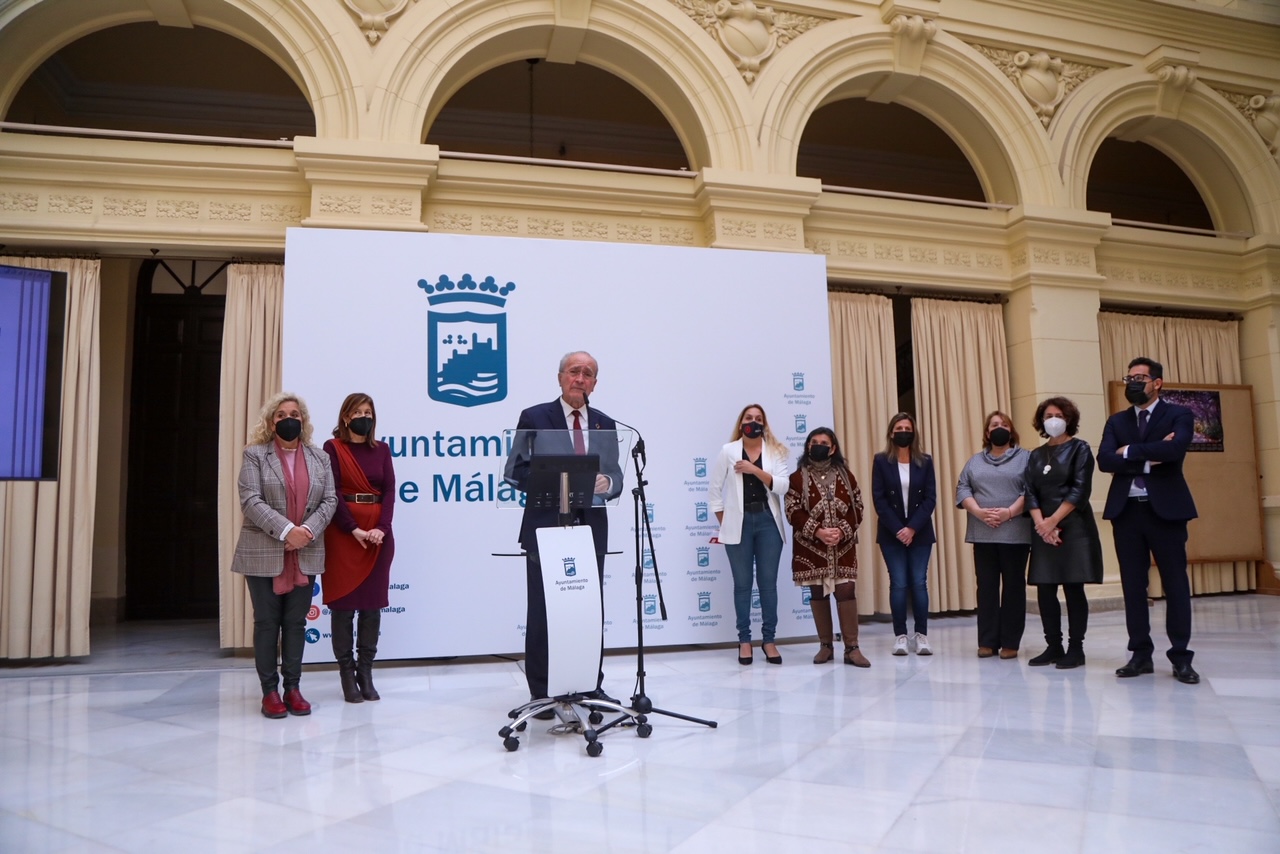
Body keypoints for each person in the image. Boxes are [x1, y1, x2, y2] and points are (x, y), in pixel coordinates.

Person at [504, 351, 624, 718]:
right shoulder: (535, 417)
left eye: (588, 374)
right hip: (546, 526)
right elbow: (515, 470)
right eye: (574, 371)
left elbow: (616, 475)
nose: (580, 378)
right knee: (543, 611)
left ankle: (590, 683)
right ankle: (541, 691)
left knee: (588, 610)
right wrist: (550, 478)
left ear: (595, 384)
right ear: (560, 378)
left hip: (590, 527)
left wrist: (608, 483)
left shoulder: (605, 424)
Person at [230, 392, 336, 719]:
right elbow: (251, 500)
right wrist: (288, 530)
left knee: (295, 623)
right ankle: (269, 692)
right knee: (266, 623)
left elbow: (330, 500)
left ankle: (293, 688)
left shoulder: (320, 458)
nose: (288, 419)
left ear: (303, 420)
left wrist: (306, 532)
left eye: (294, 414)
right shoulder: (255, 455)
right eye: (281, 415)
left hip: (306, 552)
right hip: (262, 551)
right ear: (271, 422)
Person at [1098, 357, 1200, 684]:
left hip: (1166, 511)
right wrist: (1145, 458)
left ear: (1157, 383)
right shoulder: (1117, 420)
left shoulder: (1179, 414)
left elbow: (1175, 450)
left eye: (1140, 377)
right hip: (1126, 512)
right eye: (1129, 377)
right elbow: (1104, 460)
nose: (1133, 382)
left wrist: (1127, 451)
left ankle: (1181, 657)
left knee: (1175, 583)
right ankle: (1140, 655)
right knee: (1133, 586)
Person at [323, 393, 395, 703]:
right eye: (357, 412)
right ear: (345, 417)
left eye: (368, 412)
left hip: (377, 536)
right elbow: (331, 492)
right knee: (343, 607)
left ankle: (365, 673)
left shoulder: (382, 450)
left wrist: (382, 529)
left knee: (372, 607)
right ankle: (346, 674)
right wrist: (353, 528)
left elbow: (389, 491)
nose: (363, 417)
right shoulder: (332, 448)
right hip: (344, 534)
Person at [1023, 397, 1104, 669]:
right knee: (1045, 588)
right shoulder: (1036, 454)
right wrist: (1042, 524)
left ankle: (1076, 648)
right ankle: (1053, 646)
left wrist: (1053, 521)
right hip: (1043, 528)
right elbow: (1029, 491)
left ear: (1068, 419)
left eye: (1058, 415)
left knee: (1073, 587)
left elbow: (1080, 489)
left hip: (1073, 526)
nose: (1053, 420)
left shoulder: (1080, 449)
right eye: (1048, 416)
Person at [709, 404, 790, 665]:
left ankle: (769, 640)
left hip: (768, 522)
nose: (753, 422)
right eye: (748, 418)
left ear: (764, 424)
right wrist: (726, 523)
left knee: (768, 585)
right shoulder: (728, 451)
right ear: (741, 422)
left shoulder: (775, 451)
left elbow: (783, 486)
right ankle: (744, 640)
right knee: (742, 585)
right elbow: (714, 492)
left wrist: (754, 470)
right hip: (739, 524)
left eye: (758, 419)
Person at [785, 427, 867, 666]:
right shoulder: (796, 478)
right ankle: (825, 646)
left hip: (843, 547)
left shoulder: (847, 476)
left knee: (846, 591)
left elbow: (857, 507)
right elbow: (792, 510)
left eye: (823, 443)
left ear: (832, 449)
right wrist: (819, 532)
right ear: (808, 446)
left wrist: (841, 531)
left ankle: (852, 648)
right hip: (812, 547)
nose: (818, 446)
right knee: (817, 592)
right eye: (814, 442)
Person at [955, 410, 1032, 659]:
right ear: (987, 433)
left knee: (1013, 587)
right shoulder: (975, 461)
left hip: (1015, 533)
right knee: (986, 587)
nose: (999, 428)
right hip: (983, 533)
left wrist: (1008, 513)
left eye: (1004, 424)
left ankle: (1010, 642)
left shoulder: (1026, 458)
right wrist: (979, 512)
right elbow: (963, 487)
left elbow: (1031, 490)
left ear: (1011, 431)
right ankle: (987, 641)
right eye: (994, 425)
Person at [871, 412, 937, 656]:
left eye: (907, 428)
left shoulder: (925, 461)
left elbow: (930, 498)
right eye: (899, 428)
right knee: (898, 583)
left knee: (919, 582)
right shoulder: (881, 461)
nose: (903, 432)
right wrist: (899, 529)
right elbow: (879, 499)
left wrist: (912, 528)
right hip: (892, 532)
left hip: (920, 531)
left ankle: (921, 635)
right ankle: (900, 635)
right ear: (891, 433)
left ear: (914, 432)